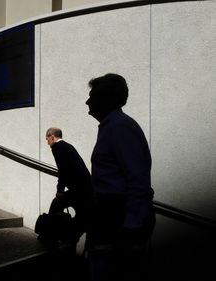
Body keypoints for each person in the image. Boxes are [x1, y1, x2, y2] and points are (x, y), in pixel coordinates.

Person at [85, 73, 155, 281]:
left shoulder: (119, 127)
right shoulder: (112, 126)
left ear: (105, 99)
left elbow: (138, 180)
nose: (87, 101)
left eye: (92, 96)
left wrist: (131, 227)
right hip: (113, 215)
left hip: (119, 218)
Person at [45, 127, 93, 248]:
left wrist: (60, 190)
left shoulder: (57, 147)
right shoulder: (68, 146)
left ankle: (49, 236)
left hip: (79, 189)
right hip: (86, 188)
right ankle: (69, 239)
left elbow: (63, 170)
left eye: (47, 139)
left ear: (52, 137)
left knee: (56, 204)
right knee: (83, 218)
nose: (47, 143)